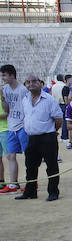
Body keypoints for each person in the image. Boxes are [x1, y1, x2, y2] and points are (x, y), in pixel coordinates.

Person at [16, 74, 63, 201]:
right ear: (25, 85)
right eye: (28, 82)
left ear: (40, 83)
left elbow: (58, 118)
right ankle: (30, 191)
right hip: (32, 137)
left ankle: (53, 192)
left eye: (34, 81)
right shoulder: (25, 100)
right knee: (30, 166)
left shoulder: (49, 99)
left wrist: (52, 131)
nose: (31, 84)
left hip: (47, 137)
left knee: (51, 165)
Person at [1, 64, 29, 193]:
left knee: (28, 155)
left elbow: (28, 108)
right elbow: (7, 109)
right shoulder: (5, 89)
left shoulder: (22, 90)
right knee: (11, 156)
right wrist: (2, 97)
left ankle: (31, 181)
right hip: (11, 125)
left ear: (12, 75)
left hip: (22, 125)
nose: (3, 78)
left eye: (4, 75)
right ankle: (13, 184)